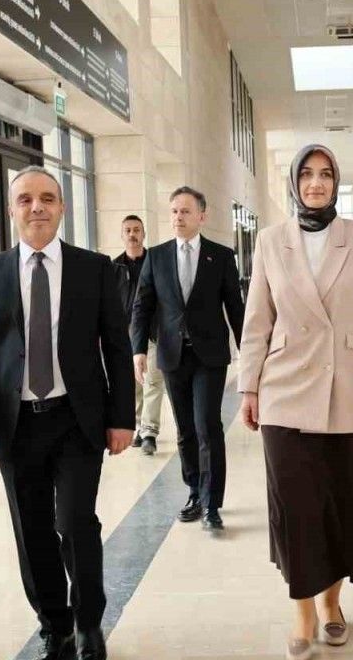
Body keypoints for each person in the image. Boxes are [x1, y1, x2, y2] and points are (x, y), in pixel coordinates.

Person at [0, 166, 134, 660]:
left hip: (76, 419)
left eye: (48, 198)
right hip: (15, 424)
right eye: (26, 199)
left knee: (75, 523)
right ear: (12, 210)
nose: (37, 207)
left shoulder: (94, 268)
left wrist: (122, 417)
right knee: (31, 531)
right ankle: (55, 625)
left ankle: (89, 623)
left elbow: (117, 348)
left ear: (62, 208)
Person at [238, 144, 353, 660]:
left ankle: (333, 602)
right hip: (286, 389)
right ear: (295, 182)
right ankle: (303, 607)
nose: (316, 183)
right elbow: (257, 319)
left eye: (326, 174)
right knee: (296, 508)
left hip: (350, 387)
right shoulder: (271, 240)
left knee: (344, 506)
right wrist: (248, 386)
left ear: (336, 181)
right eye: (307, 174)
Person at [130, 186, 245, 531]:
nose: (178, 217)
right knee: (185, 430)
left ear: (201, 216)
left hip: (210, 356)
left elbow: (236, 309)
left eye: (185, 211)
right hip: (172, 355)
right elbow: (142, 305)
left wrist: (250, 354)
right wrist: (138, 349)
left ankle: (212, 503)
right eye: (174, 211)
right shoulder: (156, 256)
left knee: (207, 425)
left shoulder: (220, 256)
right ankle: (195, 491)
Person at [115, 214, 165, 456]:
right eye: (128, 230)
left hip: (152, 332)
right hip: (125, 334)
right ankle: (140, 427)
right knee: (133, 384)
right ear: (122, 235)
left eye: (137, 230)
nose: (132, 234)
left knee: (152, 380)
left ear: (144, 234)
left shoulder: (155, 263)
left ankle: (149, 433)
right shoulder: (113, 268)